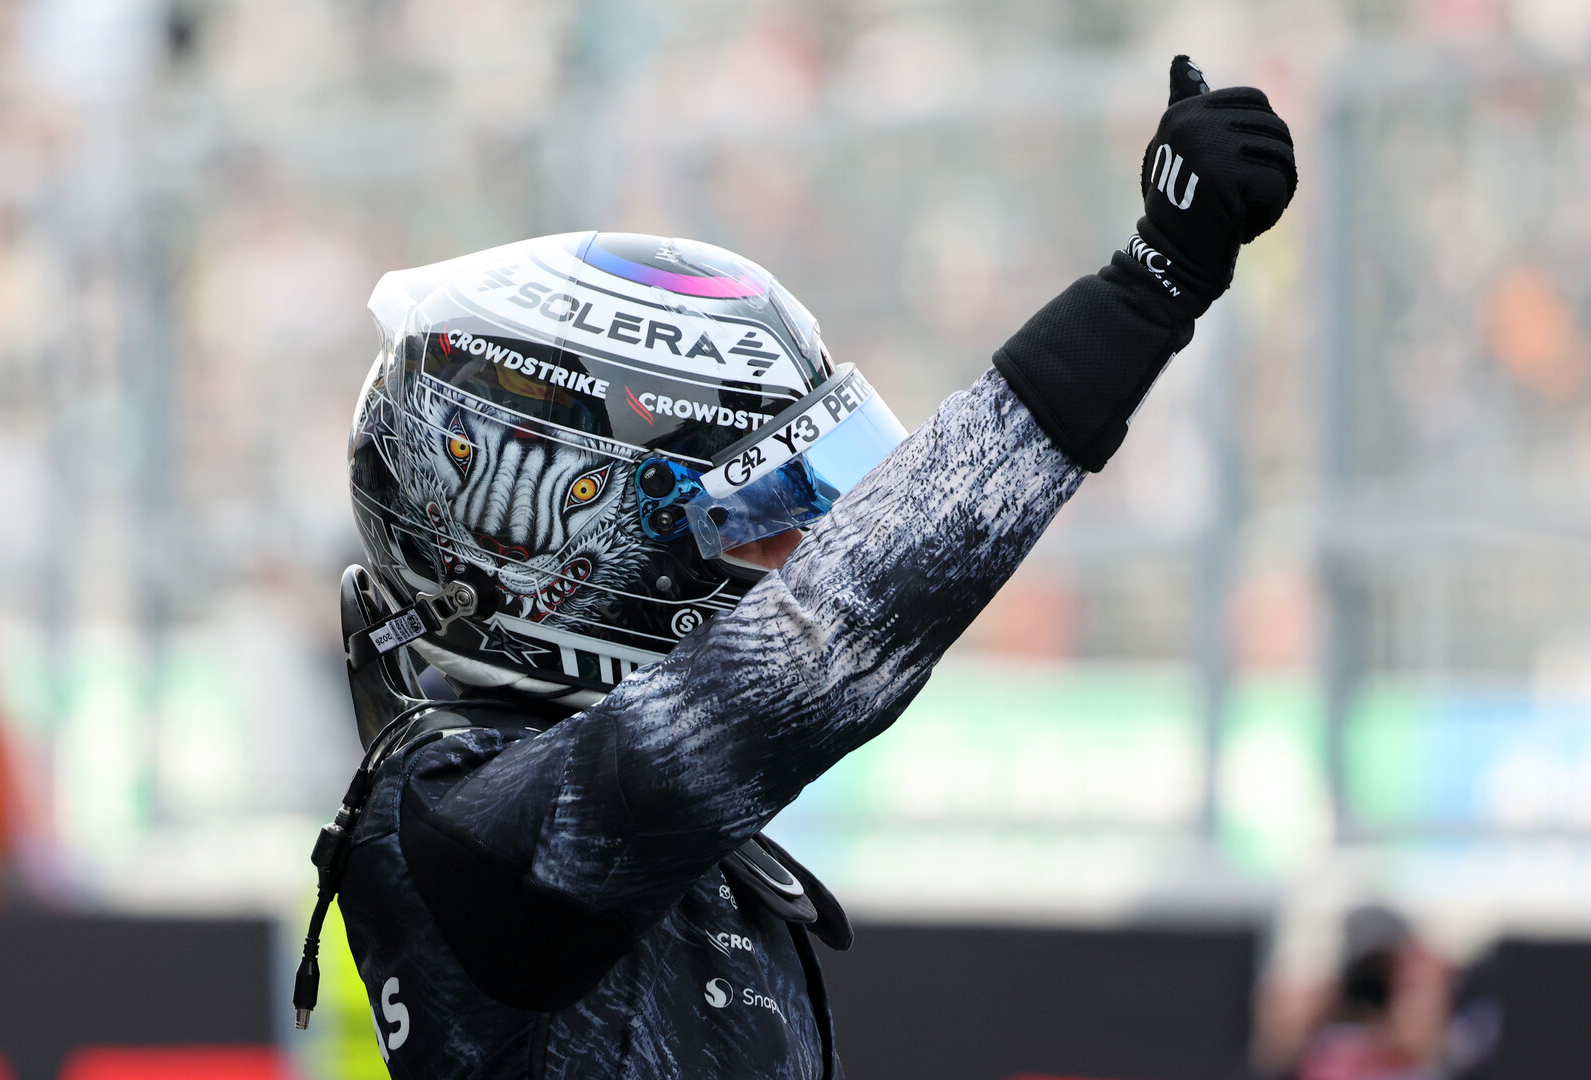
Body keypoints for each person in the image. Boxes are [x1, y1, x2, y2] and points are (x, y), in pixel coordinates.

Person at [298, 56, 1297, 1078]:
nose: (806, 546)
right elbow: (834, 631)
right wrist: (1148, 286)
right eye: (761, 510)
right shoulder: (468, 830)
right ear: (573, 531)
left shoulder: (636, 838)